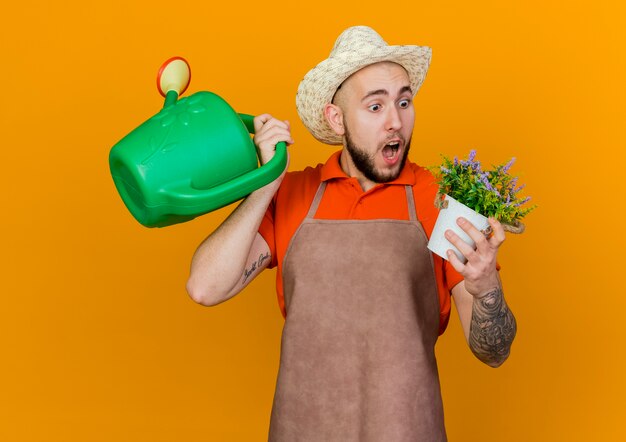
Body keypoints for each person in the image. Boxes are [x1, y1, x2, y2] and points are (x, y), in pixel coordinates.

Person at [187, 26, 517, 441]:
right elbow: (204, 287)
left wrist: (486, 285)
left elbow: (493, 351)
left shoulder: (439, 201)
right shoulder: (294, 196)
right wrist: (264, 186)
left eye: (403, 101)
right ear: (336, 118)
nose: (395, 121)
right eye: (375, 106)